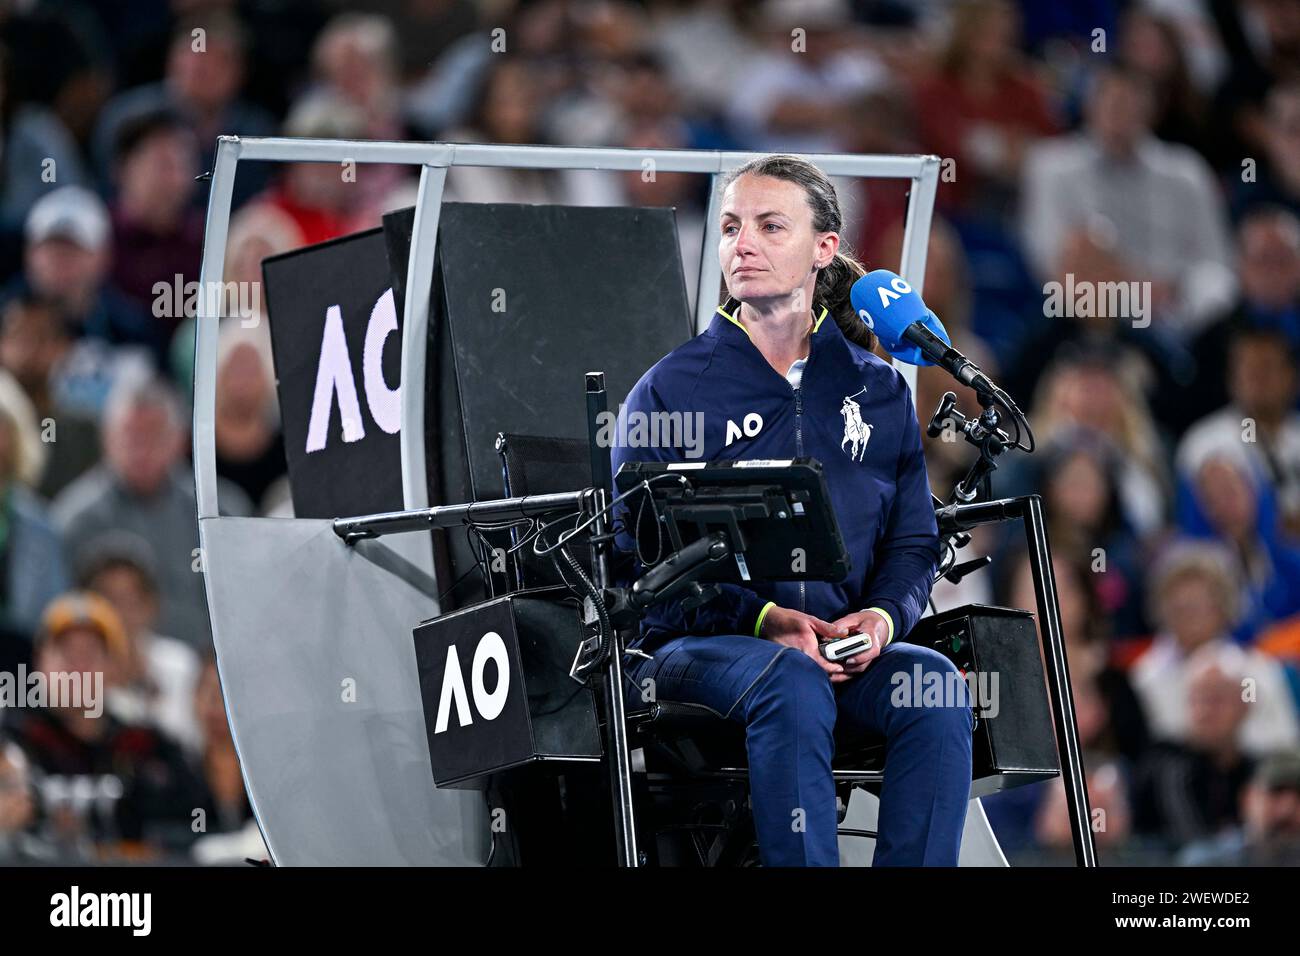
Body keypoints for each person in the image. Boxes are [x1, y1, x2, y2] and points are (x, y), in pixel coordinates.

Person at [611, 155, 973, 867]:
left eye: (771, 226)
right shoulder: (671, 389)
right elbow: (638, 553)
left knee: (932, 683)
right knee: (793, 679)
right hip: (692, 649)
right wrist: (764, 620)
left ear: (824, 249)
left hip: (841, 651)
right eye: (731, 228)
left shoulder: (878, 390)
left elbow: (912, 544)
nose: (742, 245)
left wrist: (880, 620)